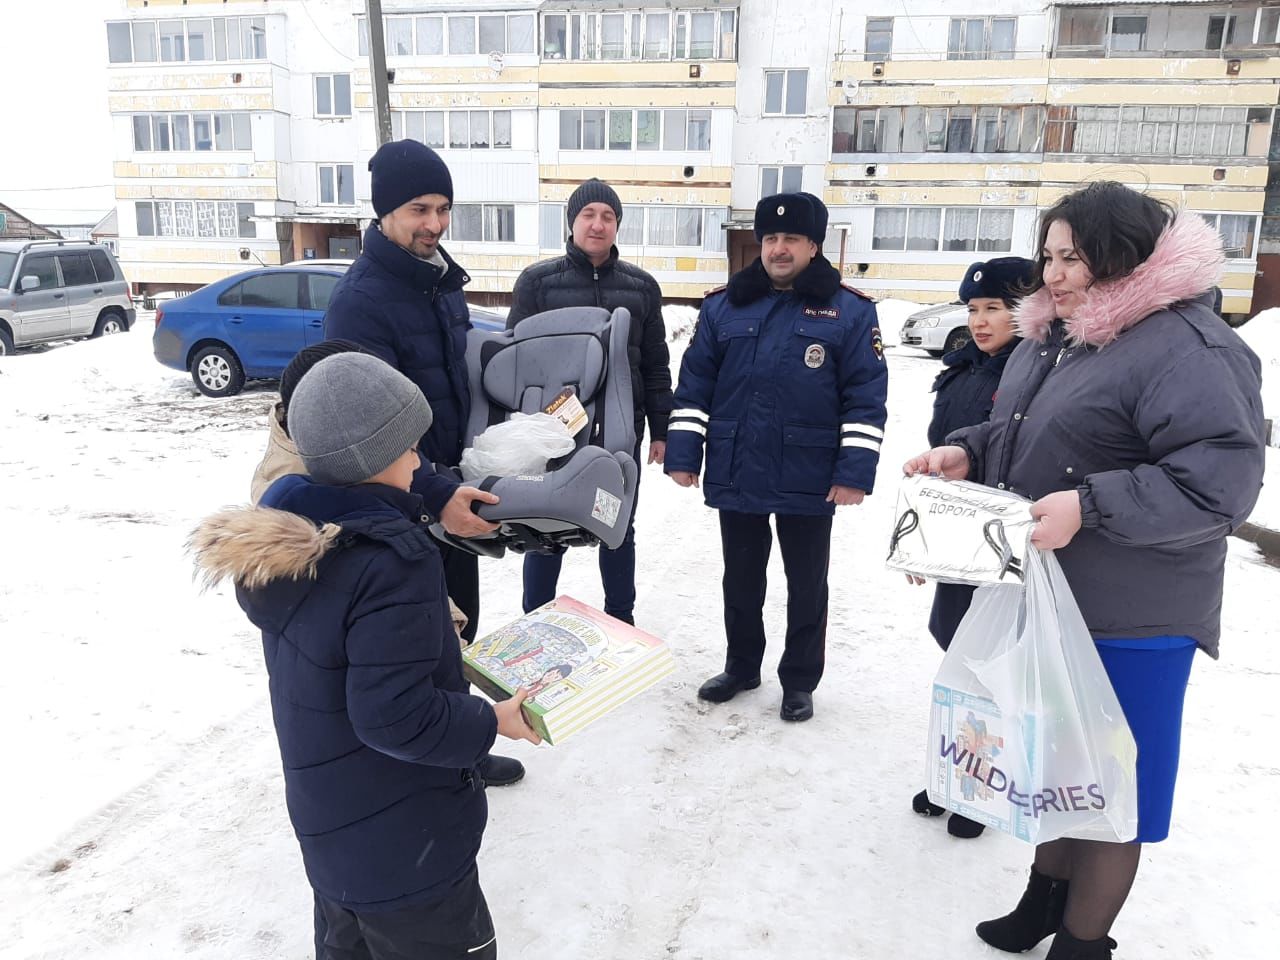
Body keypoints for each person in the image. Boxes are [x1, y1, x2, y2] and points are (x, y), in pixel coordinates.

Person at [904, 181, 1265, 960]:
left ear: (1125, 256)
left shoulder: (1189, 347)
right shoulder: (1055, 337)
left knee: (1111, 788)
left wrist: (1090, 507)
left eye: (1075, 256)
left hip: (1138, 616)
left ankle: (1084, 939)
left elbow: (1220, 486)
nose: (1056, 273)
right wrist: (968, 449)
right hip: (1053, 599)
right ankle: (1044, 902)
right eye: (1050, 255)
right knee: (1055, 767)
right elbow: (1025, 434)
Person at [191, 352, 542, 960]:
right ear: (373, 459)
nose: (419, 460)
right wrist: (493, 721)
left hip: (338, 836)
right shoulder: (389, 565)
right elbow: (395, 718)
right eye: (410, 448)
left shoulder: (294, 541)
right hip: (409, 848)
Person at [323, 139, 525, 786]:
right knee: (414, 641)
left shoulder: (441, 286)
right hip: (399, 502)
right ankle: (422, 766)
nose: (434, 224)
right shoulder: (361, 301)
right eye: (419, 209)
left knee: (457, 631)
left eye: (443, 208)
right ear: (385, 212)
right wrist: (432, 494)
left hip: (447, 488)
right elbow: (367, 429)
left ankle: (461, 744)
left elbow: (454, 386)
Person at [665, 192, 888, 722]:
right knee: (740, 579)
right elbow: (695, 385)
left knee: (807, 585)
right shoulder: (723, 306)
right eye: (770, 239)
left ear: (814, 245)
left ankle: (800, 680)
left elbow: (865, 395)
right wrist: (684, 452)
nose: (779, 249)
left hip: (809, 474)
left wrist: (853, 471)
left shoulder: (851, 311)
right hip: (738, 464)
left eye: (791, 239)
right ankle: (742, 666)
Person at [506, 178, 673, 625]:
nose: (598, 225)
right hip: (553, 433)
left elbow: (655, 364)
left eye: (608, 216)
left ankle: (621, 620)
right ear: (572, 221)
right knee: (543, 524)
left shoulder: (641, 288)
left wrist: (661, 431)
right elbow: (513, 360)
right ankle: (535, 622)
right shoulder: (537, 283)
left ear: (617, 225)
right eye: (588, 215)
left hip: (621, 428)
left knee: (616, 525)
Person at [911, 256, 1034, 840]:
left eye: (996, 309)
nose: (981, 321)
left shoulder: (1033, 372)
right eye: (974, 309)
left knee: (990, 661)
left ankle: (981, 782)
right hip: (957, 535)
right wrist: (921, 542)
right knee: (954, 647)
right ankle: (952, 769)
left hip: (1004, 540)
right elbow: (942, 456)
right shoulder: (961, 368)